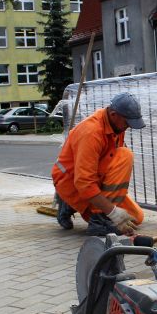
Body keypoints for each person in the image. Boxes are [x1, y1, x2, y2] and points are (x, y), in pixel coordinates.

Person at [52, 92, 145, 236]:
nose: (128, 127)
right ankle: (100, 221)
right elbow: (84, 182)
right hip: (71, 182)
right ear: (114, 114)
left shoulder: (116, 125)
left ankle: (72, 206)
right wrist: (112, 212)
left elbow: (109, 163)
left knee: (135, 217)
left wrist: (113, 208)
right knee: (125, 155)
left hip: (91, 178)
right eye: (127, 123)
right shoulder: (91, 132)